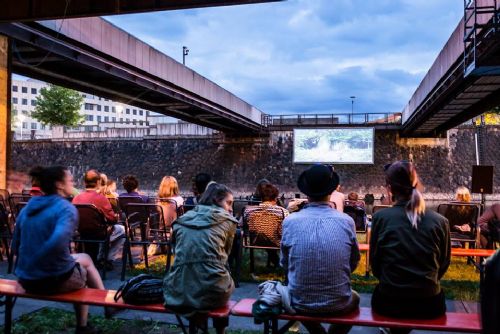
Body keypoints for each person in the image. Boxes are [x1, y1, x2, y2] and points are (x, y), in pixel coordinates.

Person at [11, 166, 106, 334]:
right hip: (52, 279)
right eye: (69, 180)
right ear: (59, 185)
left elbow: (15, 244)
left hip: (26, 279)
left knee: (84, 258)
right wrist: (38, 260)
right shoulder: (66, 208)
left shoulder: (26, 209)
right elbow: (57, 242)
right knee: (81, 272)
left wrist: (26, 267)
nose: (73, 182)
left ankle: (100, 309)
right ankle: (86, 323)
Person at [370, 161, 451, 333]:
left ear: (389, 188)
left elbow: (375, 265)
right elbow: (443, 264)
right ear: (417, 184)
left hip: (389, 302)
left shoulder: (381, 217)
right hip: (429, 304)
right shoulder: (440, 221)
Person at [281, 164, 360, 334]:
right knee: (356, 298)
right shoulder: (346, 221)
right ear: (331, 191)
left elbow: (285, 264)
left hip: (299, 301)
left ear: (306, 192)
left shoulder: (290, 221)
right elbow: (353, 263)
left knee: (301, 307)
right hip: (339, 302)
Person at [163, 183, 237, 332]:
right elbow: (225, 257)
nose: (230, 209)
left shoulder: (182, 220)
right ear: (216, 200)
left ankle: (196, 327)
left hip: (179, 289)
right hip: (215, 291)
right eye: (228, 203)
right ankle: (220, 331)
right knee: (222, 278)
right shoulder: (228, 222)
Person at [72, 170, 126, 269]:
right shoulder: (101, 198)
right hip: (99, 234)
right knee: (123, 230)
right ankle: (107, 259)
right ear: (98, 182)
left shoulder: (76, 198)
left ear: (84, 182)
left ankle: (100, 257)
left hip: (81, 233)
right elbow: (112, 219)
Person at [242, 183, 289, 267]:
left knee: (265, 233)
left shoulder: (248, 211)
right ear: (276, 198)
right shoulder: (283, 212)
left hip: (254, 242)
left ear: (261, 197)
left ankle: (276, 263)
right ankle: (282, 265)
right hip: (277, 242)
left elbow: (241, 224)